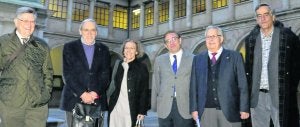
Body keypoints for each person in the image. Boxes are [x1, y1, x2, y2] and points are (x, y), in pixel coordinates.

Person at [245, 3, 300, 127]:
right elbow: (248, 68)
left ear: (273, 17)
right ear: (256, 19)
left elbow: (296, 66)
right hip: (257, 97)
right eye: (259, 16)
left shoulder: (287, 37)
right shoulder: (250, 40)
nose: (263, 18)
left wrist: (290, 88)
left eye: (266, 14)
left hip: (280, 94)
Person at [0, 7, 53, 127]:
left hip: (37, 106)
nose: (29, 25)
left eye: (32, 21)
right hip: (10, 104)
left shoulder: (42, 46)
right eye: (25, 21)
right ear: (16, 21)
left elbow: (48, 73)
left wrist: (45, 95)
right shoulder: (3, 42)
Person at [190, 25, 250, 127]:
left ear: (221, 38)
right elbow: (193, 86)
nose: (211, 39)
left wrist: (244, 108)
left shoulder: (235, 57)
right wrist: (194, 109)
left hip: (230, 110)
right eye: (208, 37)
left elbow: (243, 84)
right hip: (206, 111)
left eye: (214, 36)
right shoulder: (197, 59)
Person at [60, 18, 111, 127]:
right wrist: (82, 93)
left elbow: (106, 75)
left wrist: (95, 93)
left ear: (96, 33)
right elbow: (67, 74)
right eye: (86, 30)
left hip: (97, 100)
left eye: (92, 30)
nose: (89, 33)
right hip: (73, 99)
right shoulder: (69, 47)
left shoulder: (104, 49)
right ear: (80, 31)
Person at [151, 31, 194, 127]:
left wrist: (196, 107)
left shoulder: (193, 59)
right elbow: (156, 83)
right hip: (164, 106)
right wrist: (155, 105)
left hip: (185, 106)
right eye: (168, 41)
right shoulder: (159, 60)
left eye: (174, 39)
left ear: (180, 40)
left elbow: (196, 85)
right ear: (165, 45)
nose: (171, 42)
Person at [108, 39, 149, 127]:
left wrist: (142, 111)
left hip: (131, 108)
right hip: (116, 108)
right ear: (123, 50)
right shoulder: (118, 65)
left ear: (137, 51)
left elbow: (144, 91)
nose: (129, 50)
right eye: (126, 48)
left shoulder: (142, 68)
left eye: (132, 48)